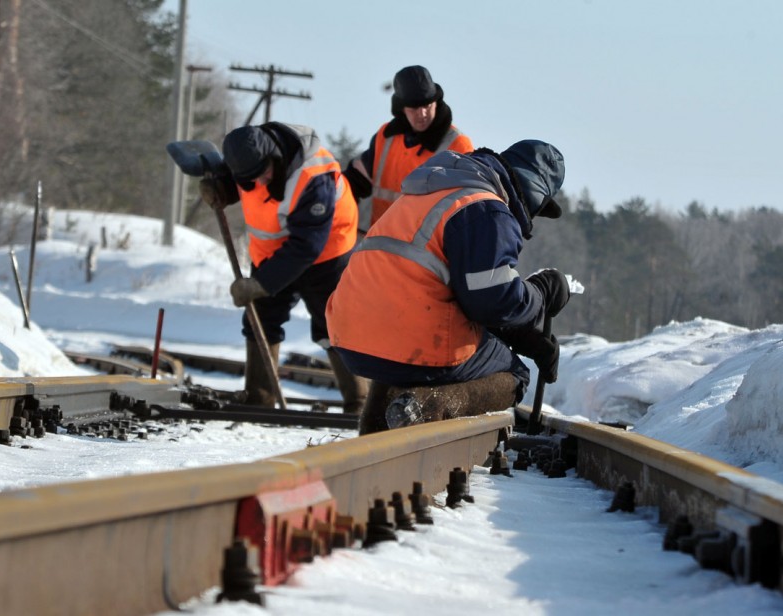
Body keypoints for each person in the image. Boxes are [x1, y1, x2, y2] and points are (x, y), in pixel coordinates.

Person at [325, 139, 572, 434]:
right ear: (536, 195)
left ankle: (375, 434)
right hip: (408, 336)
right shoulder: (487, 210)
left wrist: (523, 337)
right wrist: (541, 293)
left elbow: (462, 295)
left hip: (348, 333)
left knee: (401, 347)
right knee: (514, 372)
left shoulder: (433, 193)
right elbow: (492, 300)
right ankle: (425, 407)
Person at [198, 121, 369, 414]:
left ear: (274, 157)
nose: (261, 183)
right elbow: (240, 183)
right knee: (260, 318)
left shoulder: (315, 177)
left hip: (326, 252)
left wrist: (260, 284)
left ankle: (359, 403)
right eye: (250, 180)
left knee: (334, 326)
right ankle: (259, 397)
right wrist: (222, 189)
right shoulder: (246, 159)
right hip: (273, 250)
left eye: (264, 174)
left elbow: (306, 246)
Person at [343, 65, 474, 231]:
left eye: (427, 106)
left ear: (436, 102)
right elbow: (352, 183)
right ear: (402, 108)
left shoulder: (458, 145)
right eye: (414, 108)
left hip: (425, 253)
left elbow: (467, 209)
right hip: (378, 244)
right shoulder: (386, 137)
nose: (422, 114)